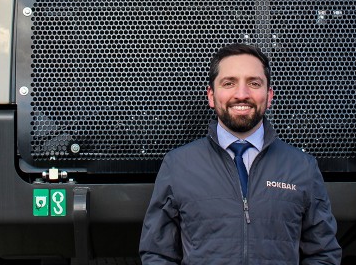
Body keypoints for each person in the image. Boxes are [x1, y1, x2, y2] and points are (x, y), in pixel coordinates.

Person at [139, 43, 341, 264]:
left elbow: (323, 254)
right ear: (211, 95)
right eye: (229, 83)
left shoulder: (302, 167)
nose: (242, 94)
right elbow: (157, 254)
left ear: (269, 95)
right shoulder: (178, 165)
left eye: (254, 83)